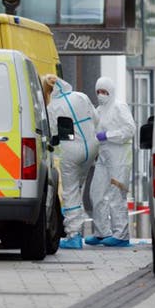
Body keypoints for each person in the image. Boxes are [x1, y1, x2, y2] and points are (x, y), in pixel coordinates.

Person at [42, 74, 99, 250]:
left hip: (71, 150)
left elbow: (51, 133)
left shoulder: (52, 107)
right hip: (92, 146)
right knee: (79, 187)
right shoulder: (81, 96)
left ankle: (74, 235)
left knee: (70, 191)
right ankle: (79, 226)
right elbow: (96, 119)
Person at [86, 76, 136, 248]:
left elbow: (130, 129)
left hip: (120, 158)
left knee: (116, 195)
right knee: (96, 193)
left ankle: (121, 235)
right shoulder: (98, 110)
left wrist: (108, 135)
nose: (101, 95)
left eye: (104, 91)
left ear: (111, 92)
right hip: (104, 158)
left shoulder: (119, 107)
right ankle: (102, 232)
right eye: (98, 92)